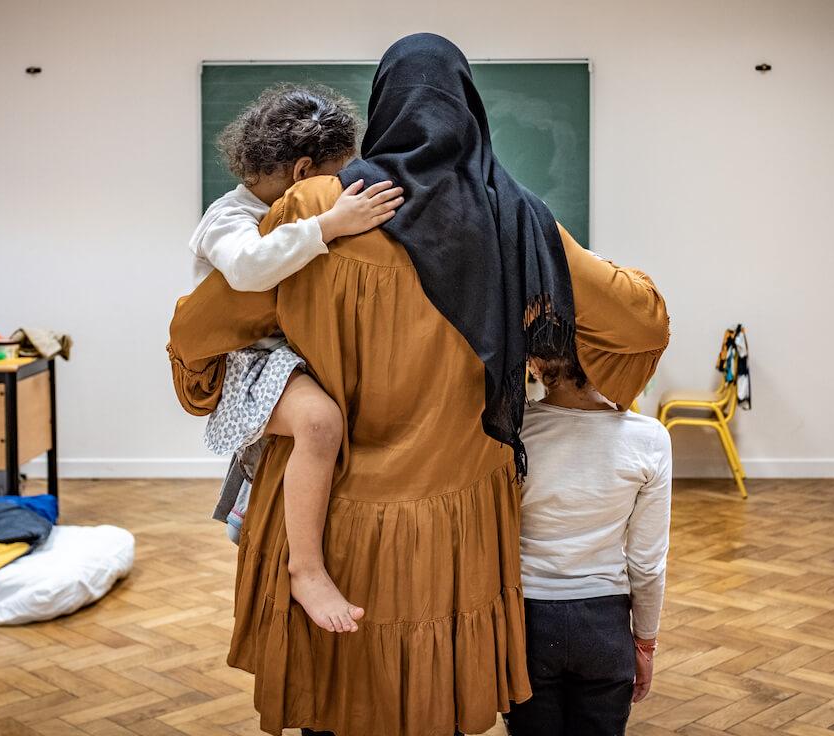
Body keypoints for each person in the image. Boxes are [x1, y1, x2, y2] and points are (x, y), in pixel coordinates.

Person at [168, 34, 669, 736]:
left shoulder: (319, 206)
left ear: (381, 109)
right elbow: (641, 324)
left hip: (327, 513)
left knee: (332, 702)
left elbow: (195, 335)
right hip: (456, 525)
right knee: (437, 708)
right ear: (471, 111)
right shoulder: (518, 220)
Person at [189, 83, 404, 633]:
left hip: (295, 353)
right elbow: (248, 268)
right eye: (334, 176)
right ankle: (305, 570)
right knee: (319, 421)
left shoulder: (281, 206)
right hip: (252, 362)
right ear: (304, 172)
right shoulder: (228, 216)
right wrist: (330, 223)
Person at [504, 352, 671, 736]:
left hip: (527, 624)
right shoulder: (650, 439)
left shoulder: (509, 431)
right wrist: (645, 645)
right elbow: (647, 564)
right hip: (604, 629)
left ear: (535, 362)